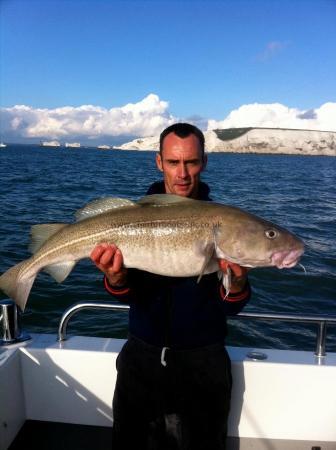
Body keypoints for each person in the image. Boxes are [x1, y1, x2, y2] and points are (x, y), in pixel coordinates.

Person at [91, 123, 251, 450]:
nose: (183, 173)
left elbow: (231, 305)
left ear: (204, 162)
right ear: (159, 162)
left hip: (204, 364)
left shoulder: (225, 224)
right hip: (141, 358)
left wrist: (236, 284)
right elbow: (124, 290)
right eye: (174, 162)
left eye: (191, 162)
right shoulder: (132, 216)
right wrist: (114, 277)